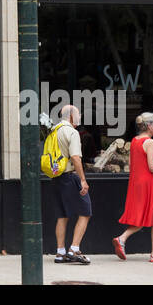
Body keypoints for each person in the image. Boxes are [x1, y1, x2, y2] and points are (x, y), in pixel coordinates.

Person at [114, 112, 153, 262]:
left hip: (137, 182)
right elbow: (152, 167)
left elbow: (134, 164)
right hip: (150, 183)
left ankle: (123, 239)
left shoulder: (135, 140)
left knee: (142, 216)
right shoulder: (150, 142)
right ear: (149, 125)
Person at [50, 105, 91, 264]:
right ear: (72, 116)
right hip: (70, 176)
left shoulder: (54, 130)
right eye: (78, 114)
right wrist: (82, 180)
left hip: (56, 177)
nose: (80, 116)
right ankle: (74, 249)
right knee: (86, 211)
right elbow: (75, 158)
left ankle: (60, 253)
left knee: (62, 215)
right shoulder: (72, 132)